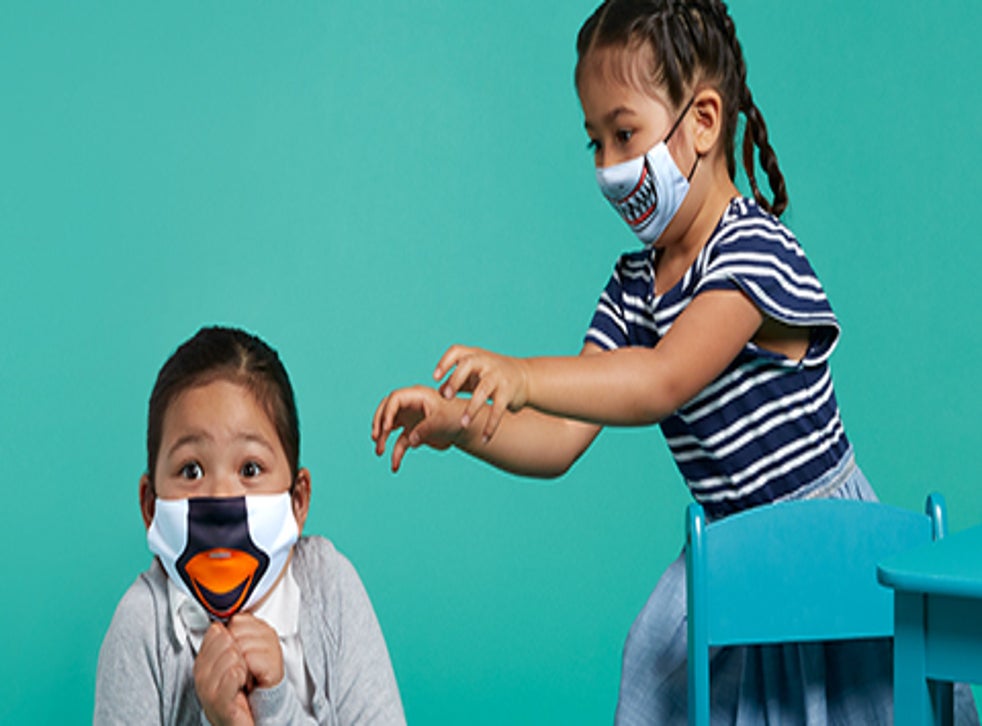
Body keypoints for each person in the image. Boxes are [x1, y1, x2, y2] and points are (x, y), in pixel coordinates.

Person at [371, 1, 978, 723]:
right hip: (732, 551)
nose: (608, 167)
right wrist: (461, 424)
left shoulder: (752, 251)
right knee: (659, 661)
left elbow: (660, 380)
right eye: (595, 142)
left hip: (821, 541)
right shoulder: (633, 288)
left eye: (625, 134)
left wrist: (525, 376)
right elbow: (560, 437)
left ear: (703, 121)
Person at [96, 326, 405, 725]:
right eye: (191, 471)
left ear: (297, 501)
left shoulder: (329, 590)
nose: (220, 497)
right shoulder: (142, 627)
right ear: (150, 506)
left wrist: (277, 707)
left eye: (250, 469)